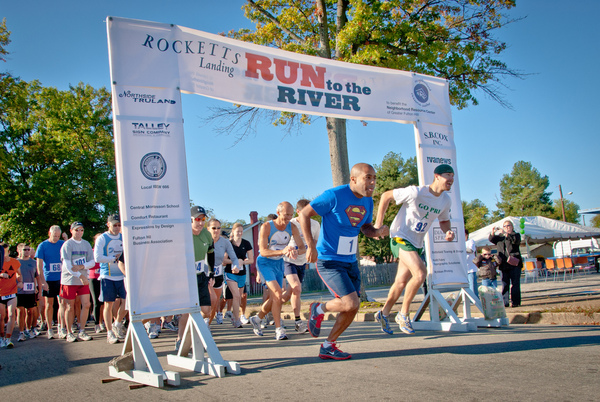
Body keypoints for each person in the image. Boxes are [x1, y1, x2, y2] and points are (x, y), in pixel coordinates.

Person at [299, 163, 387, 359]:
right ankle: (318, 309)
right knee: (349, 303)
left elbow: (365, 227)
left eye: (374, 178)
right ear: (353, 179)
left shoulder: (368, 201)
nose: (372, 182)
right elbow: (304, 213)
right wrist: (310, 246)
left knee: (353, 306)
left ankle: (328, 345)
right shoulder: (334, 195)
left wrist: (377, 232)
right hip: (329, 259)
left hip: (350, 260)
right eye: (368, 178)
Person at [373, 164, 455, 335]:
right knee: (420, 273)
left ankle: (383, 313)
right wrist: (378, 225)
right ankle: (403, 314)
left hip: (416, 243)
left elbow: (444, 220)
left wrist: (447, 231)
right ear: (437, 176)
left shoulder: (445, 200)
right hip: (400, 237)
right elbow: (386, 196)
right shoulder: (416, 192)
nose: (451, 179)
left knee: (401, 282)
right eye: (448, 175)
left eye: (453, 176)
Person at [249, 202, 304, 341]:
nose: (289, 218)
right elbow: (263, 251)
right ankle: (279, 329)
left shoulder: (292, 226)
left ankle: (258, 318)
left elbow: (303, 247)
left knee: (276, 297)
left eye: (291, 215)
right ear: (278, 212)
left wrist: (294, 251)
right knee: (278, 293)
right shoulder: (267, 226)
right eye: (286, 215)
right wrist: (283, 251)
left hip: (279, 263)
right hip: (265, 262)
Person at [176, 206, 215, 351]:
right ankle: (180, 339)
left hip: (200, 275)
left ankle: (196, 332)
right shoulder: (183, 234)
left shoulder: (207, 234)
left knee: (206, 310)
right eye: (197, 219)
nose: (200, 223)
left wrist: (211, 272)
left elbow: (211, 253)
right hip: (185, 277)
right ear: (190, 219)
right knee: (188, 310)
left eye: (203, 219)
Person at [282, 198, 320, 334]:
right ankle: (298, 322)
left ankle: (268, 310)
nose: (308, 214)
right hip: (288, 261)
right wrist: (289, 249)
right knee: (297, 288)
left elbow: (313, 244)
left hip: (302, 262)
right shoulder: (291, 224)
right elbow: (282, 241)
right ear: (297, 212)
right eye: (305, 211)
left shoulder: (315, 225)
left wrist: (309, 253)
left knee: (289, 293)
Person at [60, 222, 95, 343]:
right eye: (77, 230)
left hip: (83, 280)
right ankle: (69, 332)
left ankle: (82, 330)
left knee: (86, 304)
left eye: (81, 230)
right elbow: (68, 266)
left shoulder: (86, 244)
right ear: (71, 231)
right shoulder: (67, 245)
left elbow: (92, 262)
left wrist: (80, 267)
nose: (79, 232)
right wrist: (80, 275)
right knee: (70, 306)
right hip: (69, 281)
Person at [93, 214, 125, 344]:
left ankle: (117, 323)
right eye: (114, 225)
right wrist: (113, 258)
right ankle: (109, 332)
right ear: (108, 224)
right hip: (108, 275)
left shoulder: (123, 237)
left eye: (119, 225)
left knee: (127, 302)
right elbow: (97, 258)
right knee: (108, 304)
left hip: (122, 275)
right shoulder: (102, 238)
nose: (117, 228)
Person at [207, 218, 240, 325]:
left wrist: (235, 266)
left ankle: (207, 325)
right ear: (208, 229)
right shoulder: (203, 240)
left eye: (218, 228)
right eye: (213, 228)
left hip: (218, 275)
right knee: (206, 302)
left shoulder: (225, 242)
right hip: (204, 275)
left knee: (214, 302)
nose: (216, 230)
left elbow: (234, 258)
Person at [35, 225, 65, 339]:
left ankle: (61, 327)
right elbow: (39, 265)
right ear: (49, 233)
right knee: (49, 304)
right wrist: (43, 281)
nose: (56, 238)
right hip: (48, 278)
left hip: (61, 278)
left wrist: (65, 238)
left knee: (62, 303)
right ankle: (49, 329)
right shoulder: (43, 246)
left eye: (58, 236)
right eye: (54, 235)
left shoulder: (62, 243)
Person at [223, 222, 253, 327]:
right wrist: (234, 261)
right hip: (230, 273)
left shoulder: (246, 243)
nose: (239, 233)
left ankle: (236, 315)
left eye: (241, 231)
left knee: (239, 297)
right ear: (233, 231)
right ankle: (236, 320)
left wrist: (242, 262)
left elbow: (251, 260)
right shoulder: (228, 243)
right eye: (237, 231)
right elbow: (224, 260)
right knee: (236, 296)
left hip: (242, 273)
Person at [489, 220, 522, 307]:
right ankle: (505, 302)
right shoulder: (500, 238)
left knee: (515, 284)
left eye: (508, 226)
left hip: (514, 263)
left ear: (512, 227)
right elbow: (492, 239)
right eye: (505, 226)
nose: (507, 227)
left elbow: (515, 241)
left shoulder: (516, 235)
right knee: (505, 284)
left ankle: (515, 302)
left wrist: (506, 235)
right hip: (504, 264)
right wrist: (493, 232)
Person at [16, 244, 41, 341]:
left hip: (30, 290)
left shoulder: (34, 262)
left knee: (30, 311)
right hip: (19, 291)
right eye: (25, 250)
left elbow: (37, 277)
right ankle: (21, 332)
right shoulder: (16, 262)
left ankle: (28, 329)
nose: (27, 251)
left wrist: (39, 290)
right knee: (21, 311)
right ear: (19, 251)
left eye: (28, 249)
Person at [1, 243, 23, 348]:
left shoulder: (15, 262)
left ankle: (8, 339)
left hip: (12, 291)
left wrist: (20, 281)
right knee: (1, 317)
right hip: (0, 293)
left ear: (8, 252)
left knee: (11, 314)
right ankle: (2, 338)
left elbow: (19, 274)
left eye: (5, 251)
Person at [465, 229, 478, 299]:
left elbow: (470, 250)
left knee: (472, 285)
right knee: (465, 286)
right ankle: (468, 299)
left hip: (471, 268)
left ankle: (474, 299)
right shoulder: (459, 243)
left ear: (466, 234)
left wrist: (460, 248)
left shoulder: (471, 241)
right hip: (464, 268)